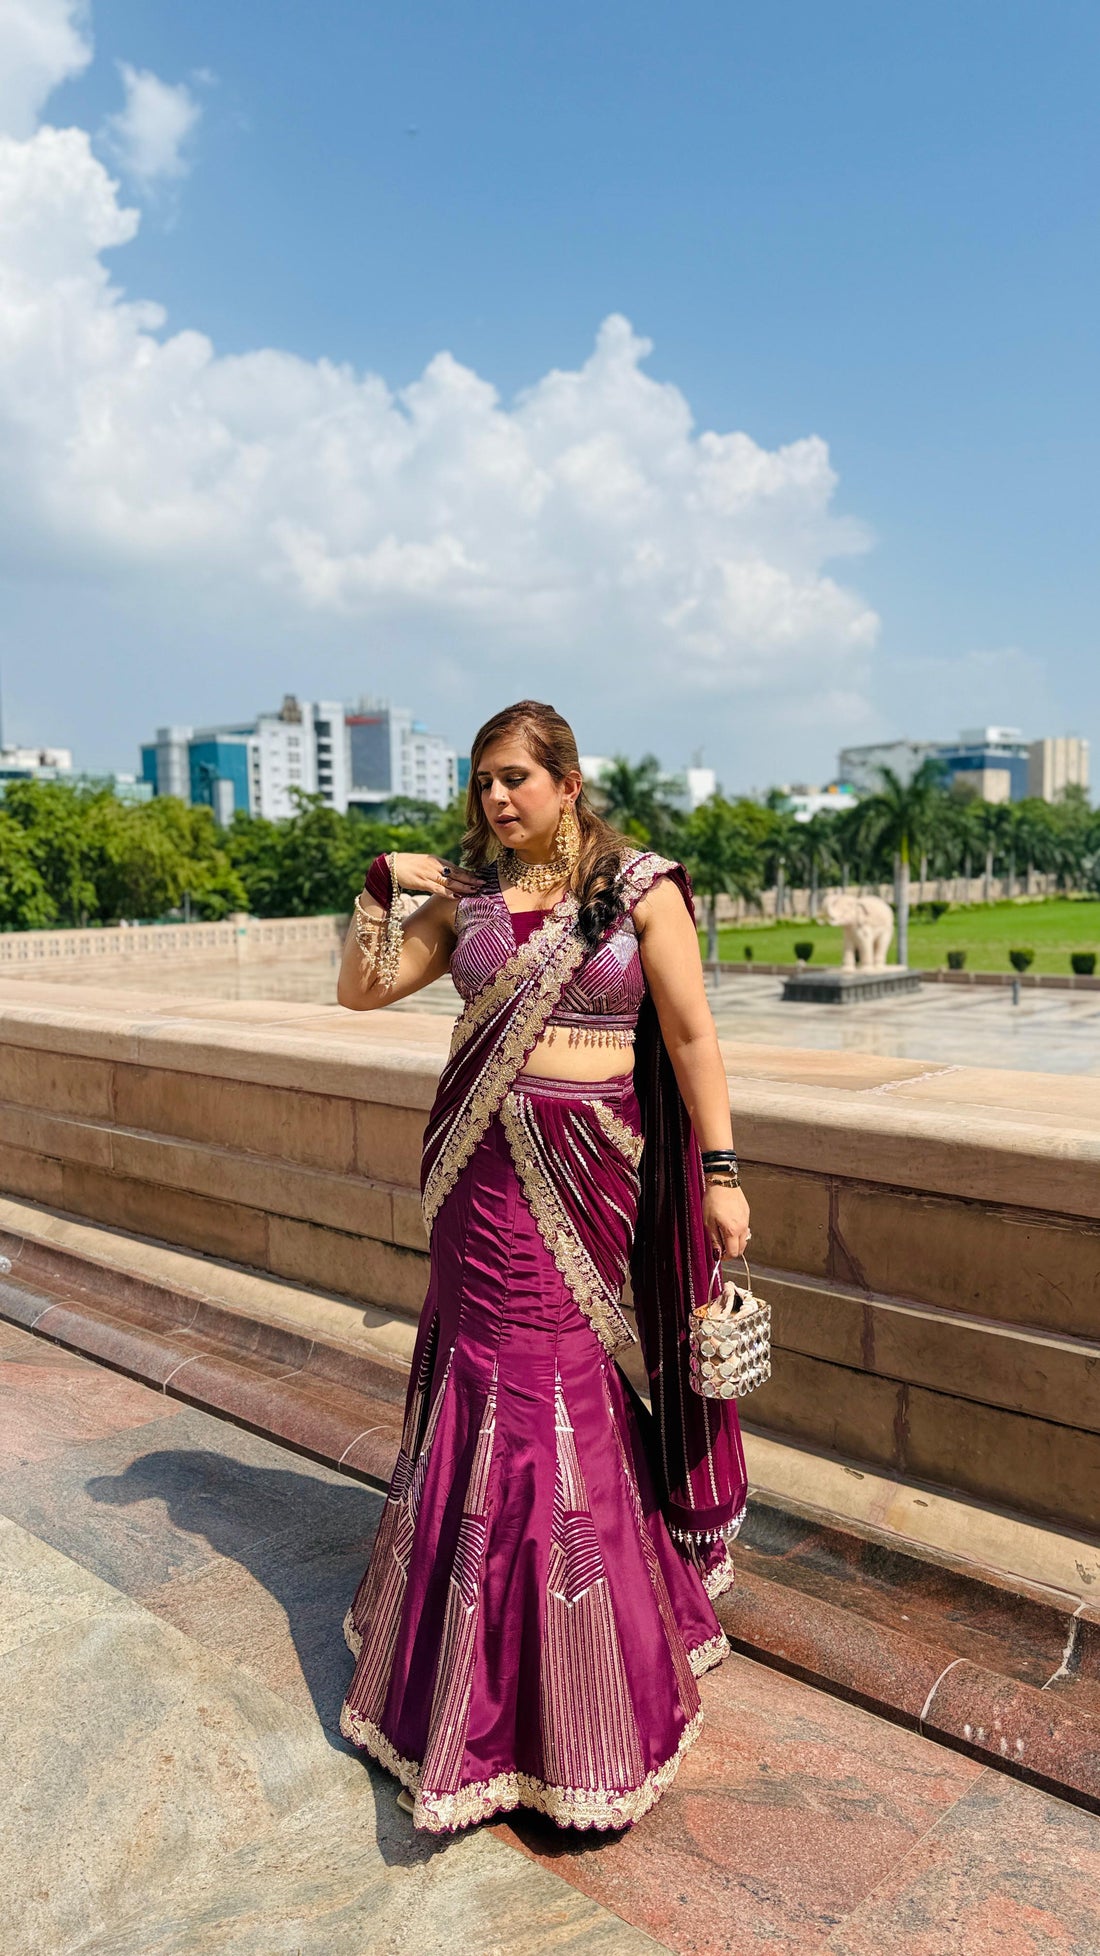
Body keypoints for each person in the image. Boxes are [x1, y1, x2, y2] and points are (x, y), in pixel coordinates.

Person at [337, 700, 750, 1834]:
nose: (496, 800)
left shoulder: (637, 891)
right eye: (481, 783)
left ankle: (581, 1694)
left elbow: (691, 1036)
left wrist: (720, 1173)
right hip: (479, 1184)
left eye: (516, 777)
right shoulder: (465, 904)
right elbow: (360, 991)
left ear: (569, 782)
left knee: (567, 1391)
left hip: (594, 1173)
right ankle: (475, 1693)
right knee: (491, 1387)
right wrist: (380, 890)